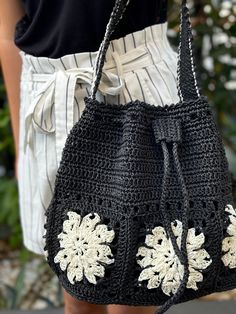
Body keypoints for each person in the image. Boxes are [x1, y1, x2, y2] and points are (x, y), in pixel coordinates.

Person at [0, 1, 180, 313]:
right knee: (77, 288)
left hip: (132, 77)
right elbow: (7, 29)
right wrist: (21, 143)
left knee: (136, 285)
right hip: (47, 97)